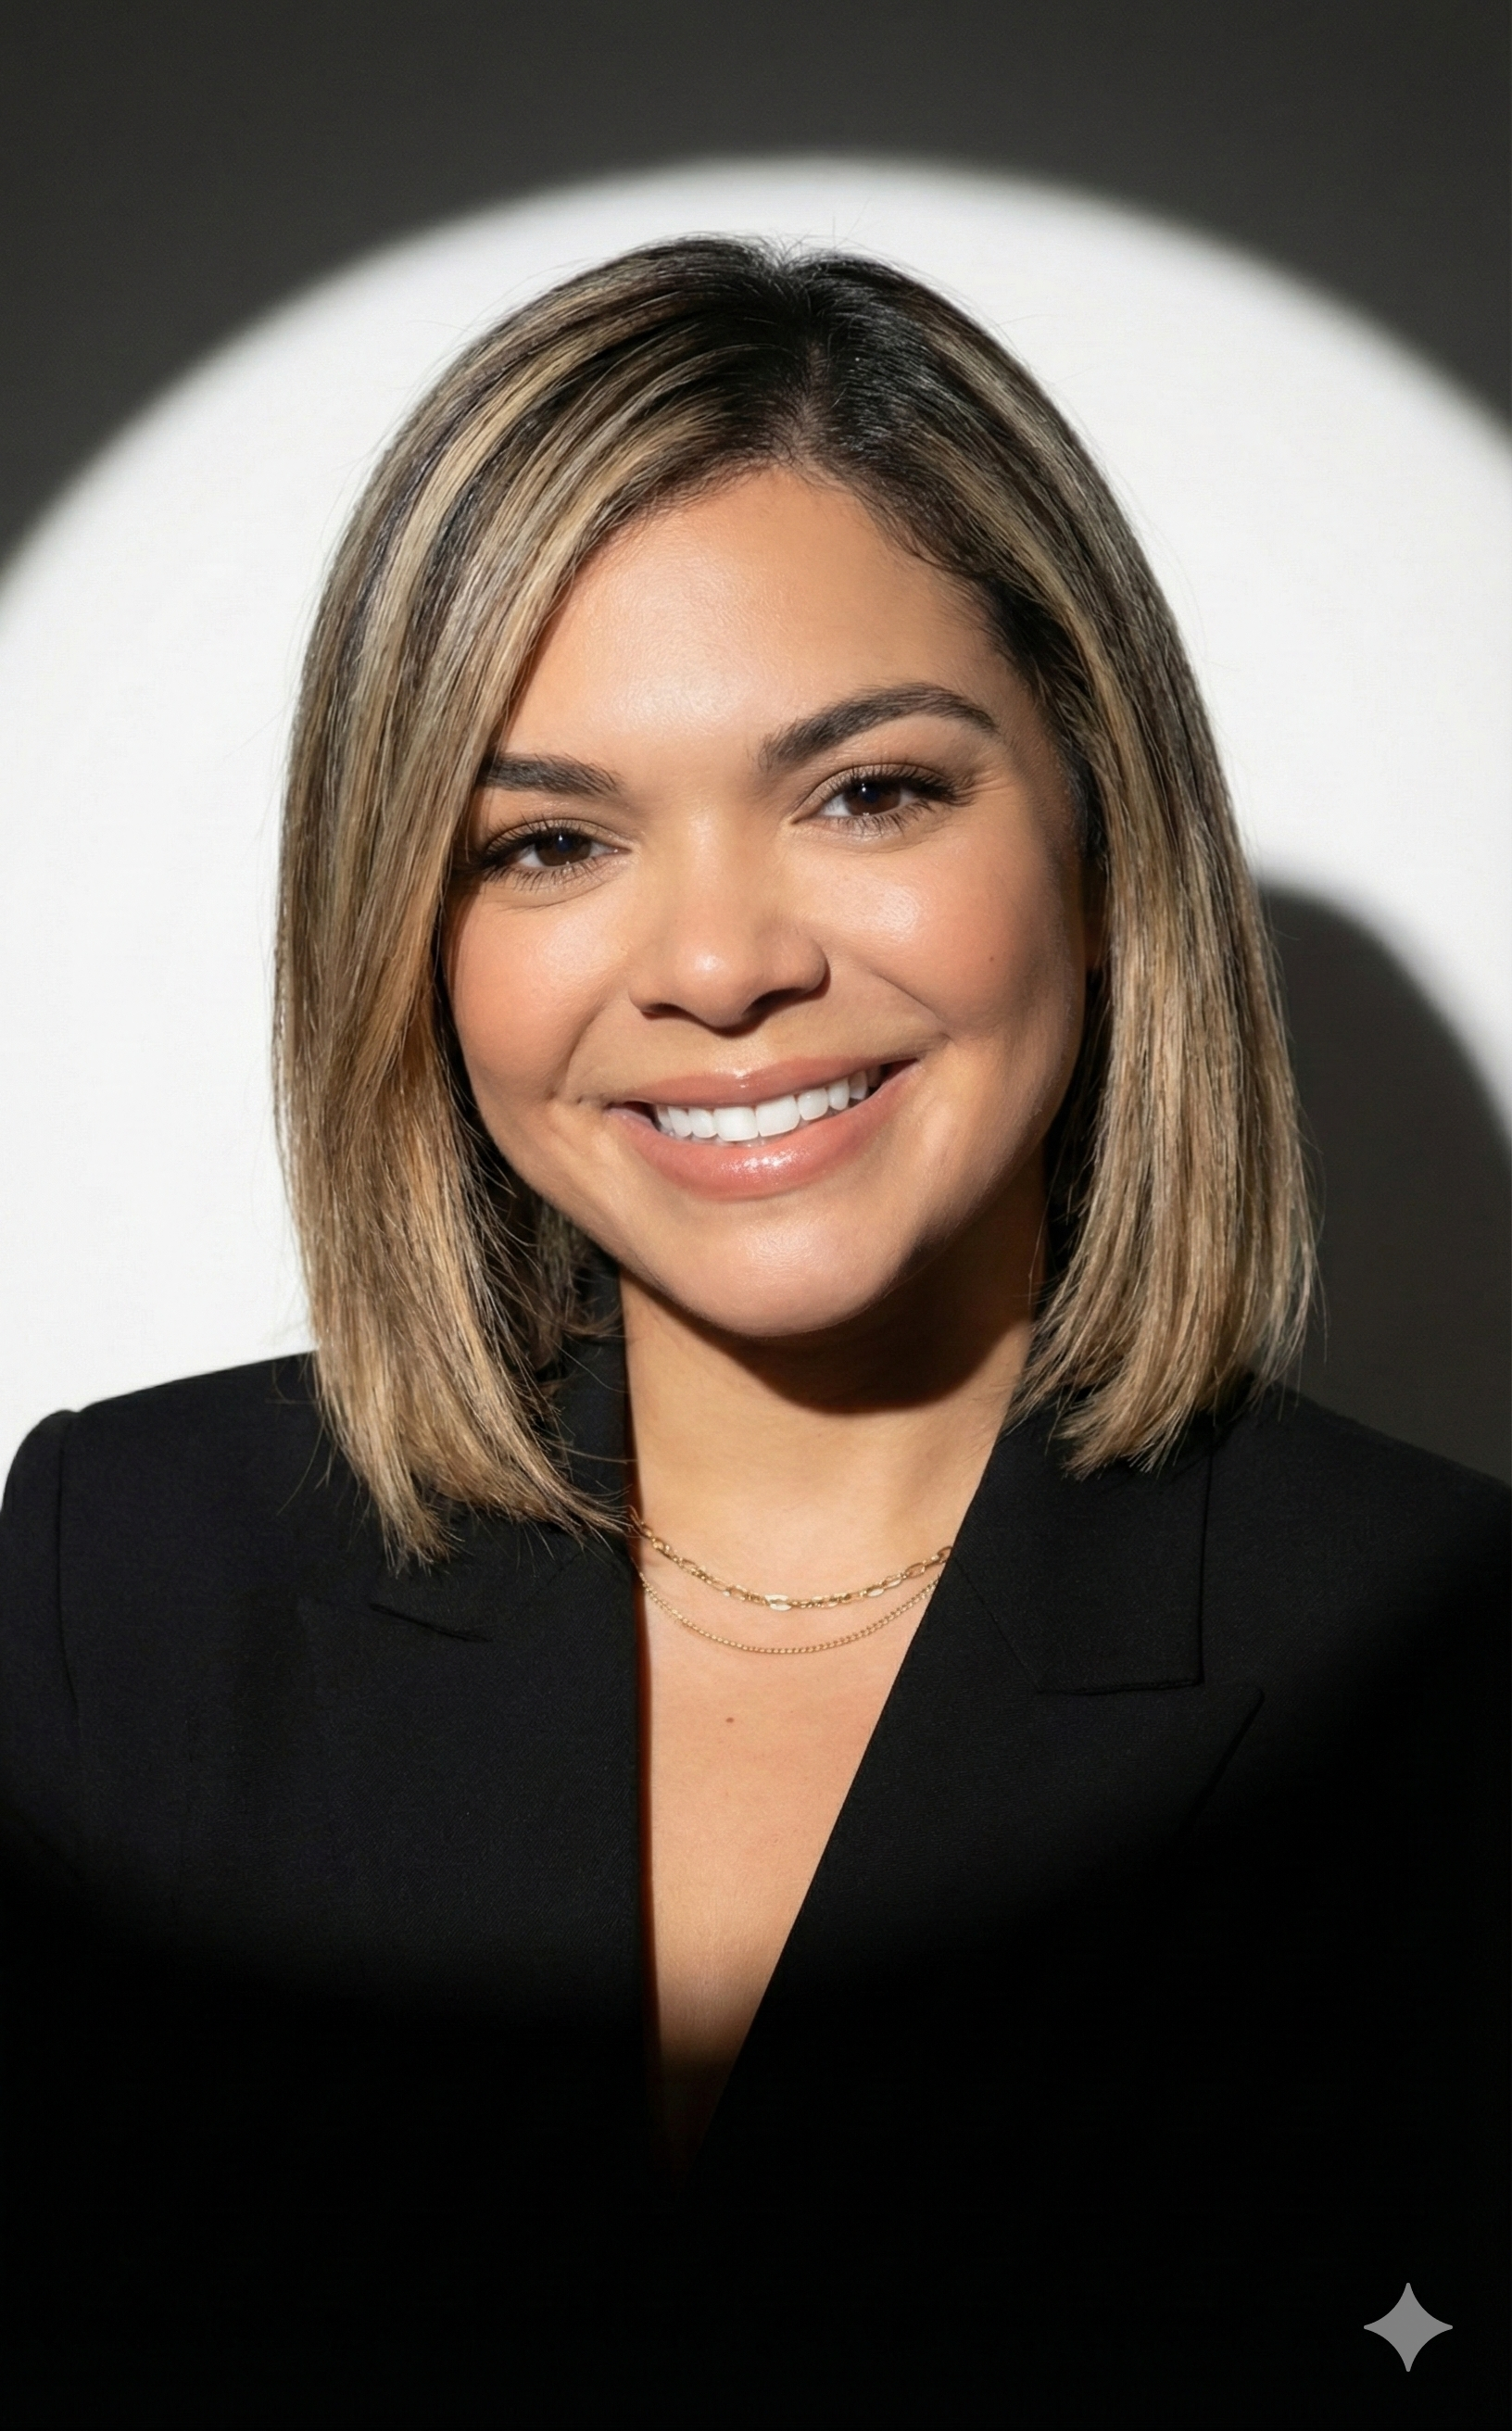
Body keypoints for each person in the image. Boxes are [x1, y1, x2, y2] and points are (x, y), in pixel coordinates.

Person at [1, 238, 1505, 2426]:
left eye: (867, 788)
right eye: (548, 839)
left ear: (1099, 837)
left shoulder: (1443, 1659)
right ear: (408, 934)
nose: (716, 962)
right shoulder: (121, 1582)